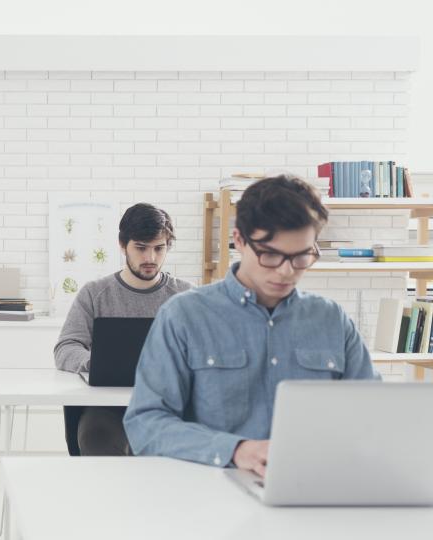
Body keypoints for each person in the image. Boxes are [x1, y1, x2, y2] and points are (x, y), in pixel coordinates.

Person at [124, 175, 379, 477]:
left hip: (315, 487)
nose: (287, 272)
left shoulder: (331, 319)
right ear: (240, 240)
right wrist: (236, 450)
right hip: (209, 493)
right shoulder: (184, 316)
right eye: (270, 254)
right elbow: (146, 423)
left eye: (301, 256)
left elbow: (372, 415)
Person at [54, 203, 194, 455]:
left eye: (159, 249)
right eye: (141, 248)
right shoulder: (95, 294)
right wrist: (97, 363)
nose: (150, 258)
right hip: (107, 408)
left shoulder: (186, 295)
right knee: (96, 436)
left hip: (169, 404)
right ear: (122, 245)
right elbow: (66, 347)